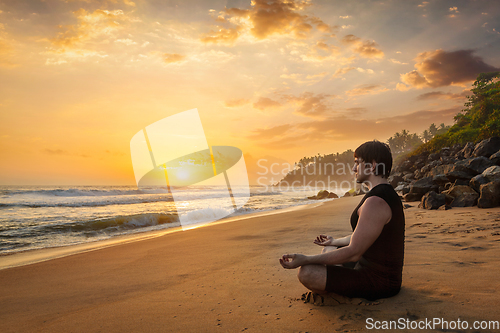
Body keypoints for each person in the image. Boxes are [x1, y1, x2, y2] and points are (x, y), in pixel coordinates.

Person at [279, 140, 405, 301]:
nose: (354, 168)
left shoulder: (376, 202)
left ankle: (335, 293)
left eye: (357, 163)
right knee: (330, 248)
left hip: (379, 282)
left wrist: (305, 259)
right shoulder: (381, 194)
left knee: (307, 272)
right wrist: (335, 240)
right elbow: (361, 236)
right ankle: (336, 277)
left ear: (372, 165)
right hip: (365, 265)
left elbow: (354, 252)